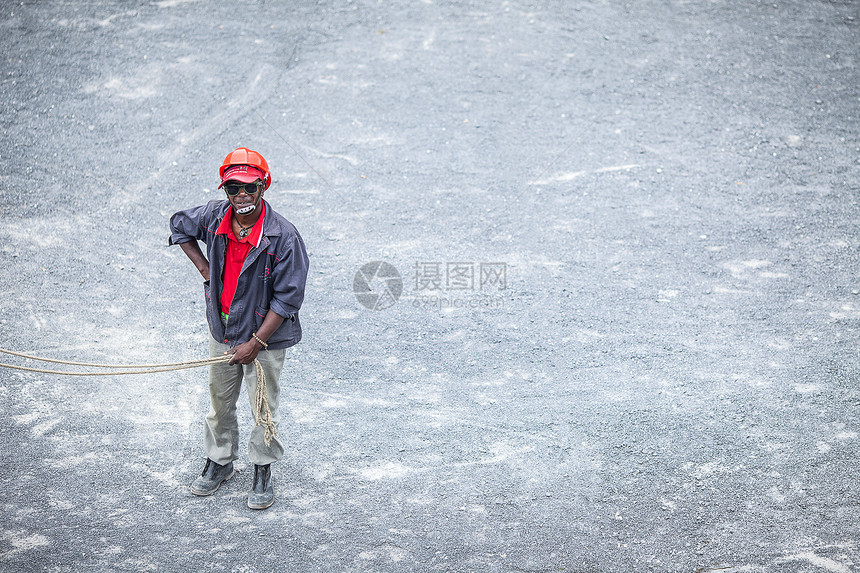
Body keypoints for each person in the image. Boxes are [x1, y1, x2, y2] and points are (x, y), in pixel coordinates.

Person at [168, 147, 309, 510]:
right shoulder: (215, 217)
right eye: (233, 188)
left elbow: (287, 300)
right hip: (224, 329)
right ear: (225, 191)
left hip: (266, 337)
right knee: (219, 400)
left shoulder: (283, 237)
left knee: (262, 405)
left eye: (250, 187)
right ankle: (220, 461)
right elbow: (179, 225)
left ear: (265, 186)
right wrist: (204, 270)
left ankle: (262, 468)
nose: (241, 196)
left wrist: (256, 342)